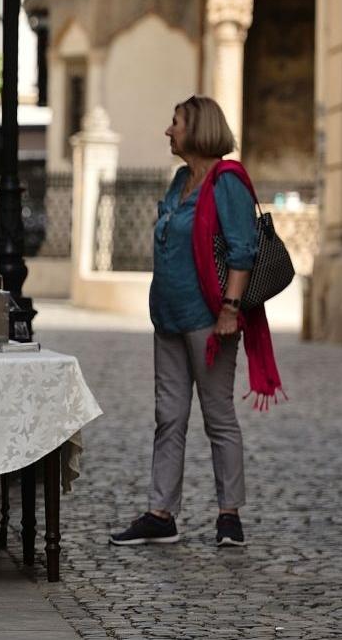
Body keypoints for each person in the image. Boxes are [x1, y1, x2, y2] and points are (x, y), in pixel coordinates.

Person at [110, 95, 283, 549]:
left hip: (209, 319)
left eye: (176, 123)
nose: (168, 131)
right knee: (168, 417)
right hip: (167, 316)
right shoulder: (181, 180)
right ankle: (160, 513)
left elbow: (243, 249)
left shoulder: (226, 183)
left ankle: (229, 515)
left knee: (218, 416)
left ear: (199, 129)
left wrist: (231, 308)